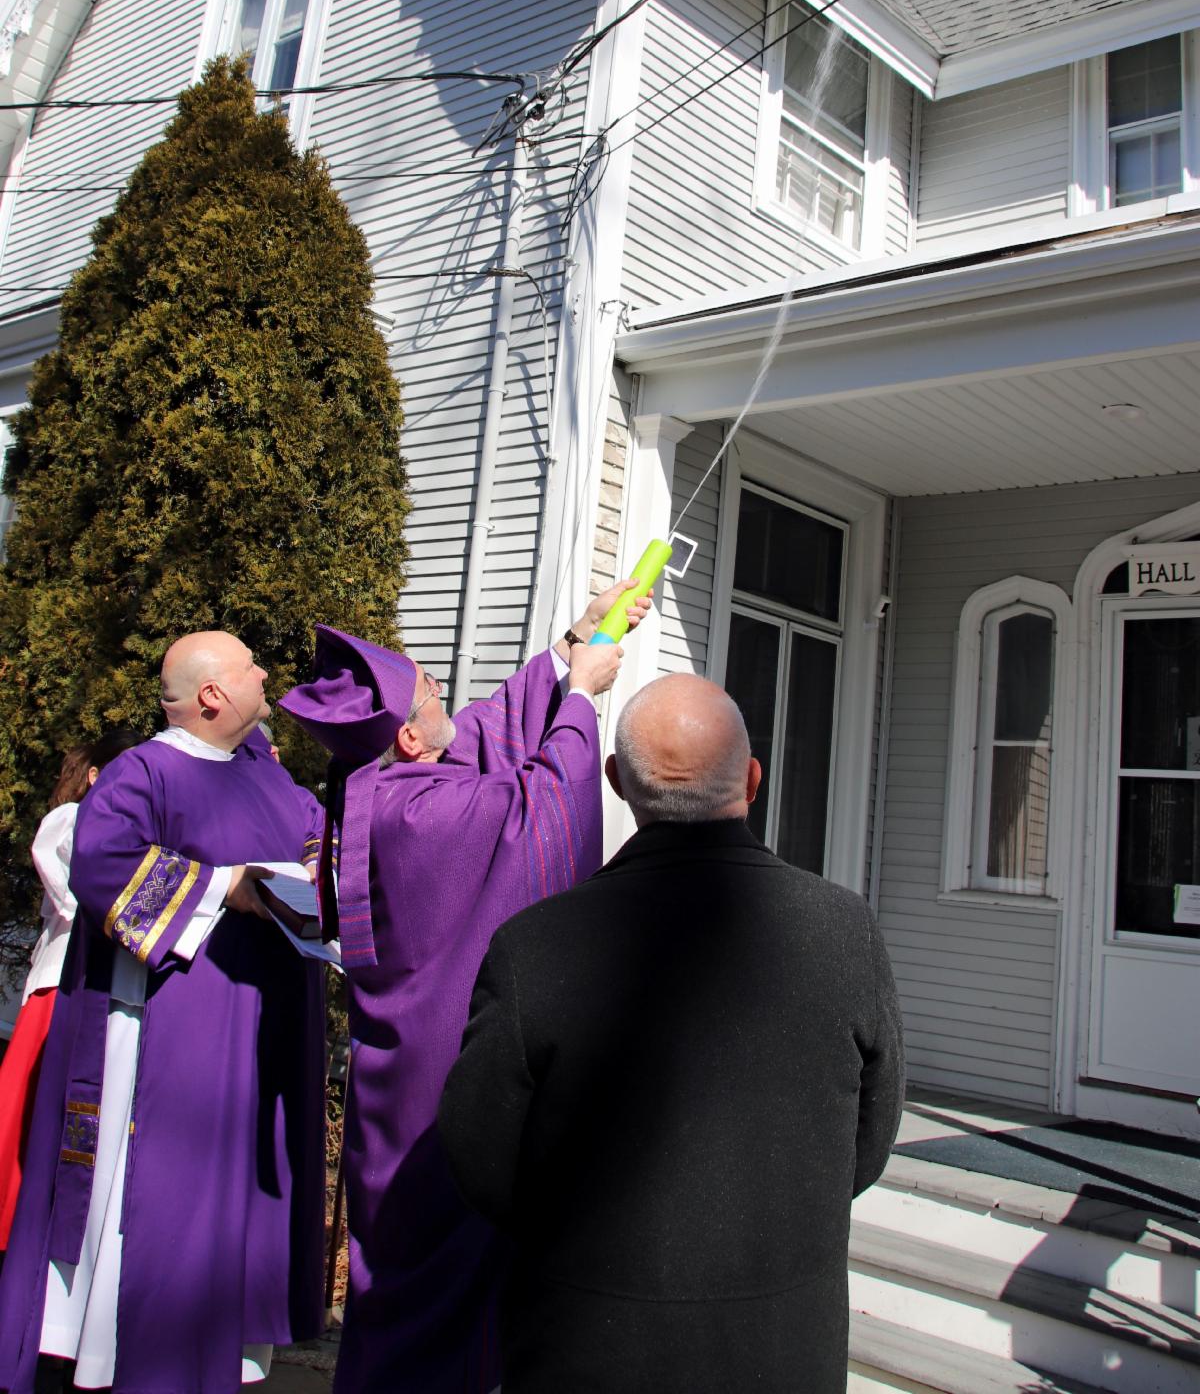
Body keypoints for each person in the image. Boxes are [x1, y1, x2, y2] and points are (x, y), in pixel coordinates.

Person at [438, 671, 906, 1394]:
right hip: (785, 1343)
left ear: (615, 781)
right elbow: (870, 1141)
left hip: (587, 1341)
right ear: (752, 780)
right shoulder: (845, 931)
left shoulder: (535, 944)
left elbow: (480, 1151)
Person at [279, 581, 649, 1394]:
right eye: (429, 689)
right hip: (442, 1076)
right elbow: (541, 807)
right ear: (409, 737)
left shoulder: (380, 784)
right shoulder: (422, 815)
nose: (447, 688)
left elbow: (484, 729)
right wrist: (581, 698)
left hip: (399, 1070)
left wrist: (575, 639)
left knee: (402, 1270)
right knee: (434, 1287)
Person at [0, 633, 327, 1394]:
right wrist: (227, 888)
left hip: (260, 1029)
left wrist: (319, 869)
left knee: (233, 1195)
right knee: (156, 1199)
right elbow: (103, 863)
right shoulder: (144, 771)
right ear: (212, 694)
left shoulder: (268, 778)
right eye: (251, 666)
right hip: (165, 1033)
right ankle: (129, 1356)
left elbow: (318, 835)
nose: (266, 673)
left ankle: (217, 1351)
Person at [0, 733, 137, 1252]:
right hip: (60, 980)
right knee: (31, 1102)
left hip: (97, 982)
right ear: (97, 775)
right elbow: (72, 896)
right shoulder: (72, 818)